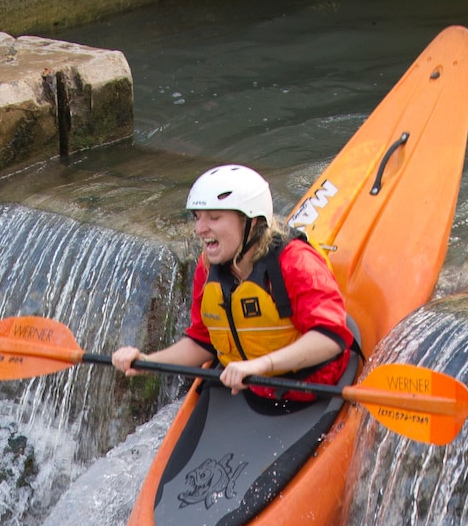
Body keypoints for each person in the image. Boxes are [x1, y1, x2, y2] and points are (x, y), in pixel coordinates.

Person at [111, 164, 354, 398]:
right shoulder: (207, 268)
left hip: (310, 388)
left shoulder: (297, 262)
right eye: (197, 217)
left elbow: (330, 337)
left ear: (253, 221)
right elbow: (201, 342)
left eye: (214, 217)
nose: (200, 229)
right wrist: (149, 362)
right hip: (242, 386)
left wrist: (260, 366)